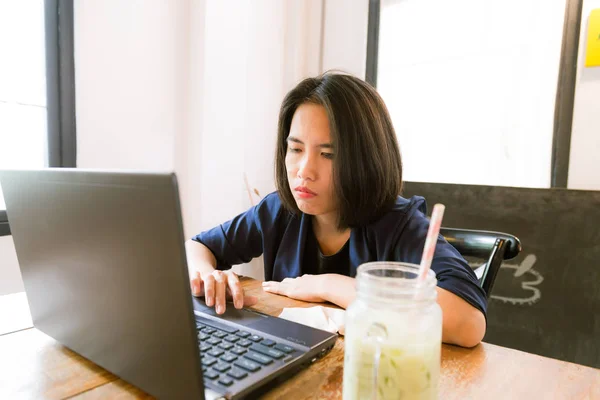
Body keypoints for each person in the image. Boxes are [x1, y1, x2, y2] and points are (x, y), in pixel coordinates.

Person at [186, 72, 487, 347]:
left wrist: (330, 285)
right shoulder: (280, 210)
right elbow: (197, 247)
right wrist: (206, 275)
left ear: (365, 160)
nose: (304, 171)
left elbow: (469, 323)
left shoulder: (399, 225)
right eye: (296, 149)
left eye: (328, 154)